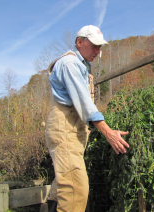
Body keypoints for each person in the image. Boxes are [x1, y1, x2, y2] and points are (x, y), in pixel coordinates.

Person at [45, 25, 130, 212]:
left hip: (72, 130)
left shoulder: (82, 65)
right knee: (76, 190)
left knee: (62, 185)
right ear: (79, 42)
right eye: (94, 46)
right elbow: (84, 103)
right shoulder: (70, 64)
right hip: (65, 128)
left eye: (100, 47)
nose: (98, 52)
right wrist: (108, 133)